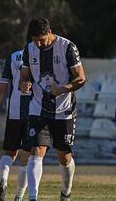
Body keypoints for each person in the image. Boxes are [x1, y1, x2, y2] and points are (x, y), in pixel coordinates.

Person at [19, 18, 86, 201]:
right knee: (36, 150)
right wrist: (24, 85)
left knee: (64, 157)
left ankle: (66, 191)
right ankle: (33, 197)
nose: (38, 44)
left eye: (41, 39)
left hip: (64, 110)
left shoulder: (67, 47)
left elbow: (81, 78)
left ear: (50, 32)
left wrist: (64, 88)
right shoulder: (29, 49)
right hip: (38, 107)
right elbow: (23, 77)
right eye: (35, 40)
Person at [0, 49, 31, 201]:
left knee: (10, 152)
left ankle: (3, 180)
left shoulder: (13, 56)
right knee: (28, 155)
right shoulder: (41, 54)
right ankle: (19, 196)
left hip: (13, 111)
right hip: (34, 112)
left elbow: (2, 87)